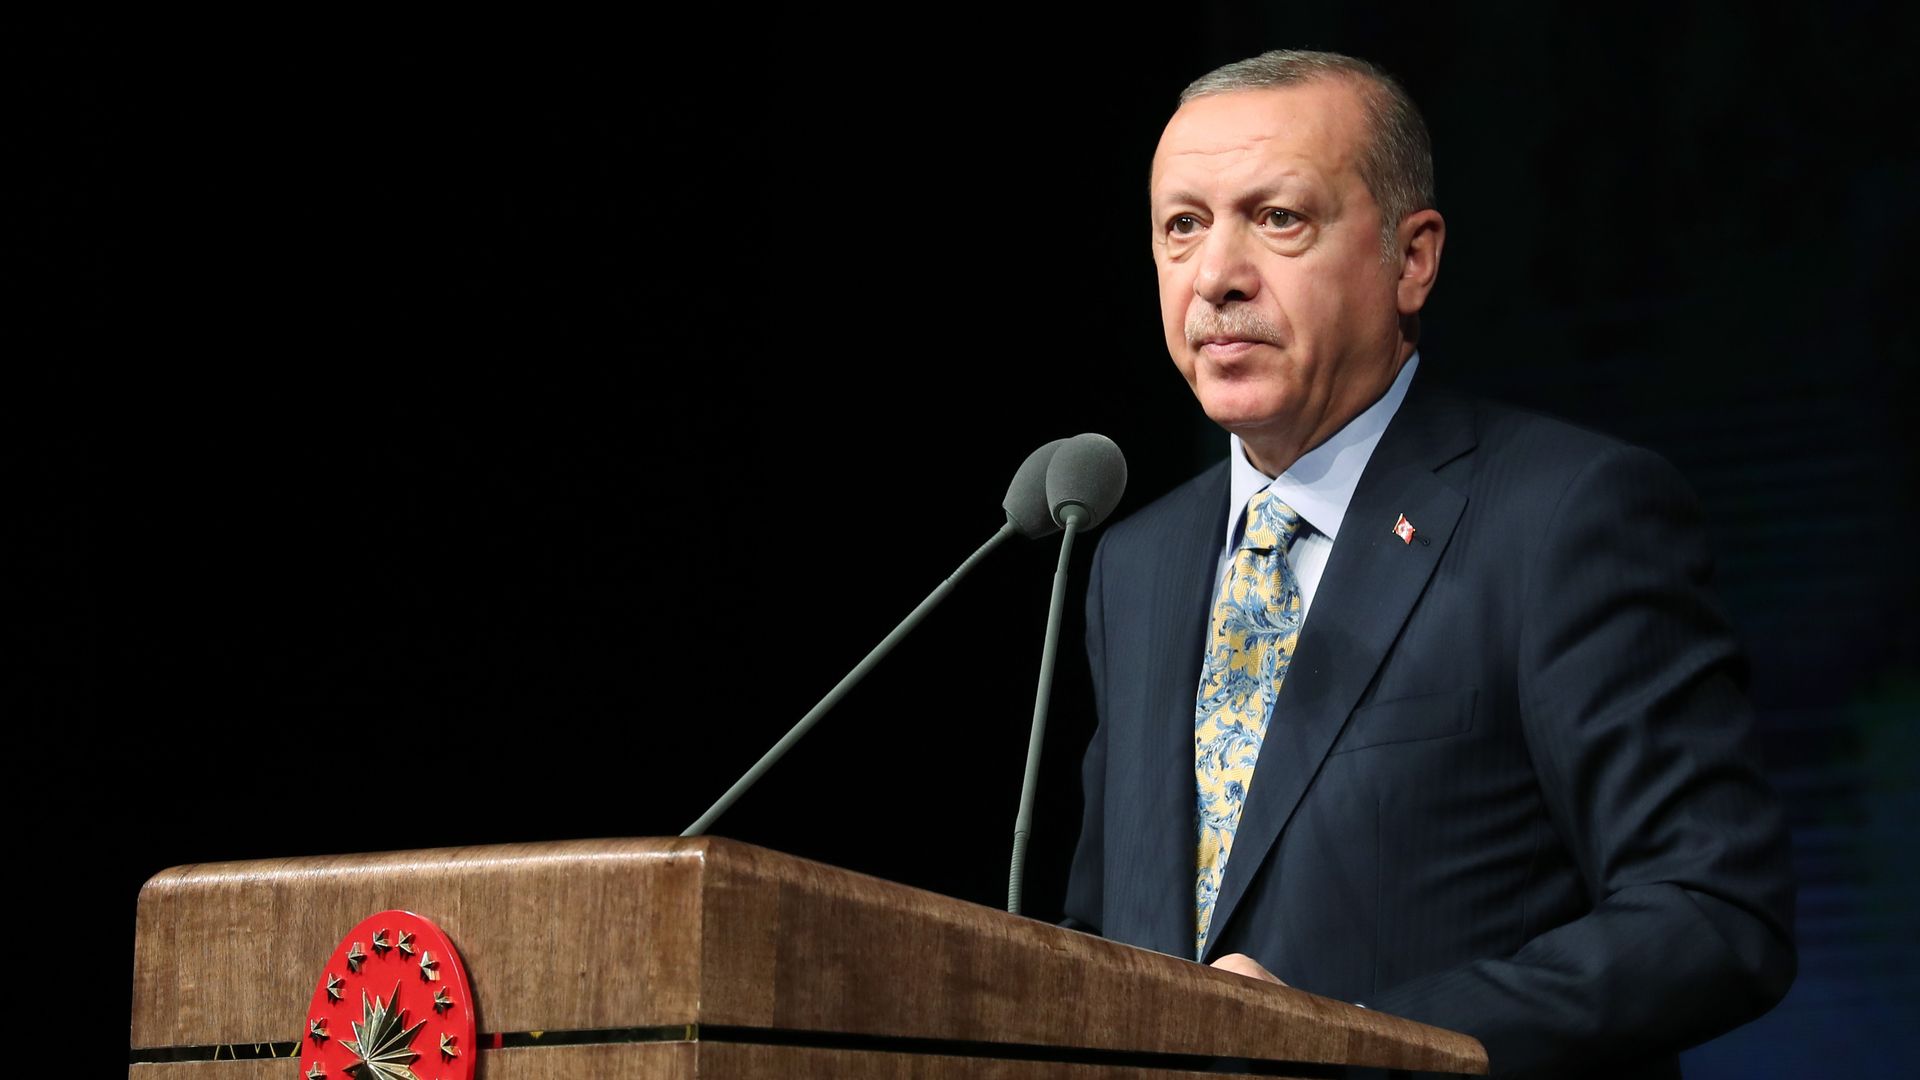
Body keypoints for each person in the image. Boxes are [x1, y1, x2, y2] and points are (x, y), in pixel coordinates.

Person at [1061, 50, 1795, 1078]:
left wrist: (1365, 1040)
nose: (1217, 275)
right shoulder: (1135, 565)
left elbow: (1713, 913)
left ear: (1411, 259)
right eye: (1183, 225)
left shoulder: (1562, 517)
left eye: (1278, 219)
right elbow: (1100, 934)